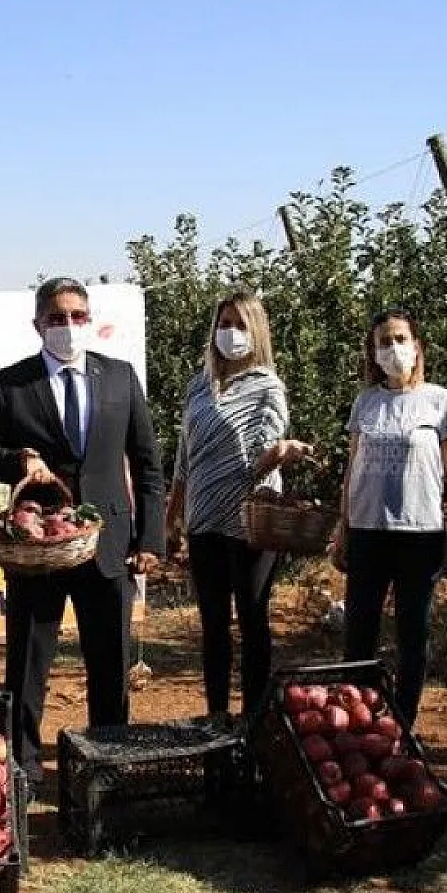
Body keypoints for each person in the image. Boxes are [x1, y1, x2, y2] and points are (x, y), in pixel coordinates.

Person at [0, 276, 165, 778]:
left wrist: (150, 538)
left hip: (109, 548)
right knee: (28, 665)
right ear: (39, 323)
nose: (68, 326)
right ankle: (24, 770)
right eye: (57, 317)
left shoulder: (120, 378)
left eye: (77, 316)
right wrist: (20, 459)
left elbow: (146, 464)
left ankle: (104, 763)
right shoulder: (9, 385)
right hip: (39, 547)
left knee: (109, 664)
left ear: (90, 319)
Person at [164, 291, 310, 722]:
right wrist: (172, 517)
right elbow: (183, 458)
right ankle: (216, 715)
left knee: (251, 619)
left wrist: (280, 453)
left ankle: (255, 719)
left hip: (250, 519)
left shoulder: (268, 389)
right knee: (212, 624)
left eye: (241, 325)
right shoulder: (199, 386)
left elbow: (261, 459)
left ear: (257, 332)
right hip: (204, 519)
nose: (231, 333)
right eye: (224, 324)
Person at [334, 308, 447, 731]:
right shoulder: (366, 402)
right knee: (359, 634)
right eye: (383, 342)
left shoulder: (439, 400)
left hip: (419, 534)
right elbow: (352, 468)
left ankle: (402, 725)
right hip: (369, 532)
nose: (392, 349)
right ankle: (358, 719)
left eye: (399, 339)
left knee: (413, 637)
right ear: (373, 353)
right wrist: (344, 527)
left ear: (416, 346)